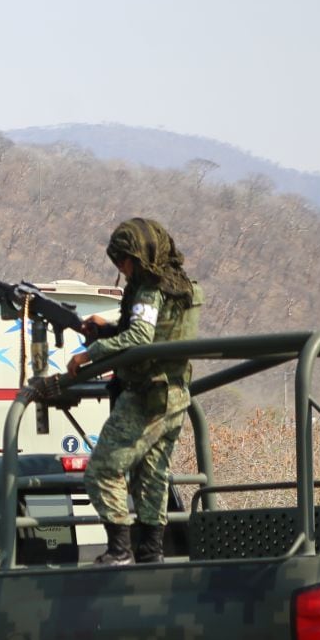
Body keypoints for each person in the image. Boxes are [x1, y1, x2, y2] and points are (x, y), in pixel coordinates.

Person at [68, 217, 204, 566]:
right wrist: (110, 327)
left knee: (103, 470)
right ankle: (150, 552)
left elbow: (141, 338)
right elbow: (154, 332)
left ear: (141, 256)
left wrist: (90, 353)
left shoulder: (148, 288)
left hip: (147, 394)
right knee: (152, 474)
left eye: (124, 260)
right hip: (174, 395)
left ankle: (119, 550)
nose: (122, 268)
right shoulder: (180, 286)